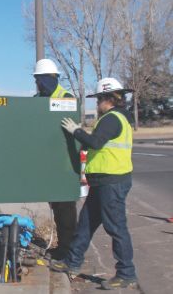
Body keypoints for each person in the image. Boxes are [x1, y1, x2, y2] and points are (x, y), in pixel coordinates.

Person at [52, 77, 138, 290]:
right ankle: (72, 262)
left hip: (112, 183)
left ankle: (126, 273)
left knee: (116, 227)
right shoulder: (117, 118)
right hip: (103, 182)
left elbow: (96, 142)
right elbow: (98, 145)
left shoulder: (112, 118)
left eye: (98, 100)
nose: (97, 104)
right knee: (86, 225)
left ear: (107, 99)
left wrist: (77, 131)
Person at [33, 58, 77, 260]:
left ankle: (69, 250)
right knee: (57, 208)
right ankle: (62, 247)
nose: (39, 84)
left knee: (66, 210)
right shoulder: (36, 99)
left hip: (64, 165)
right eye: (37, 80)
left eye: (42, 80)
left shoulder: (66, 98)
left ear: (53, 79)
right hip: (47, 164)